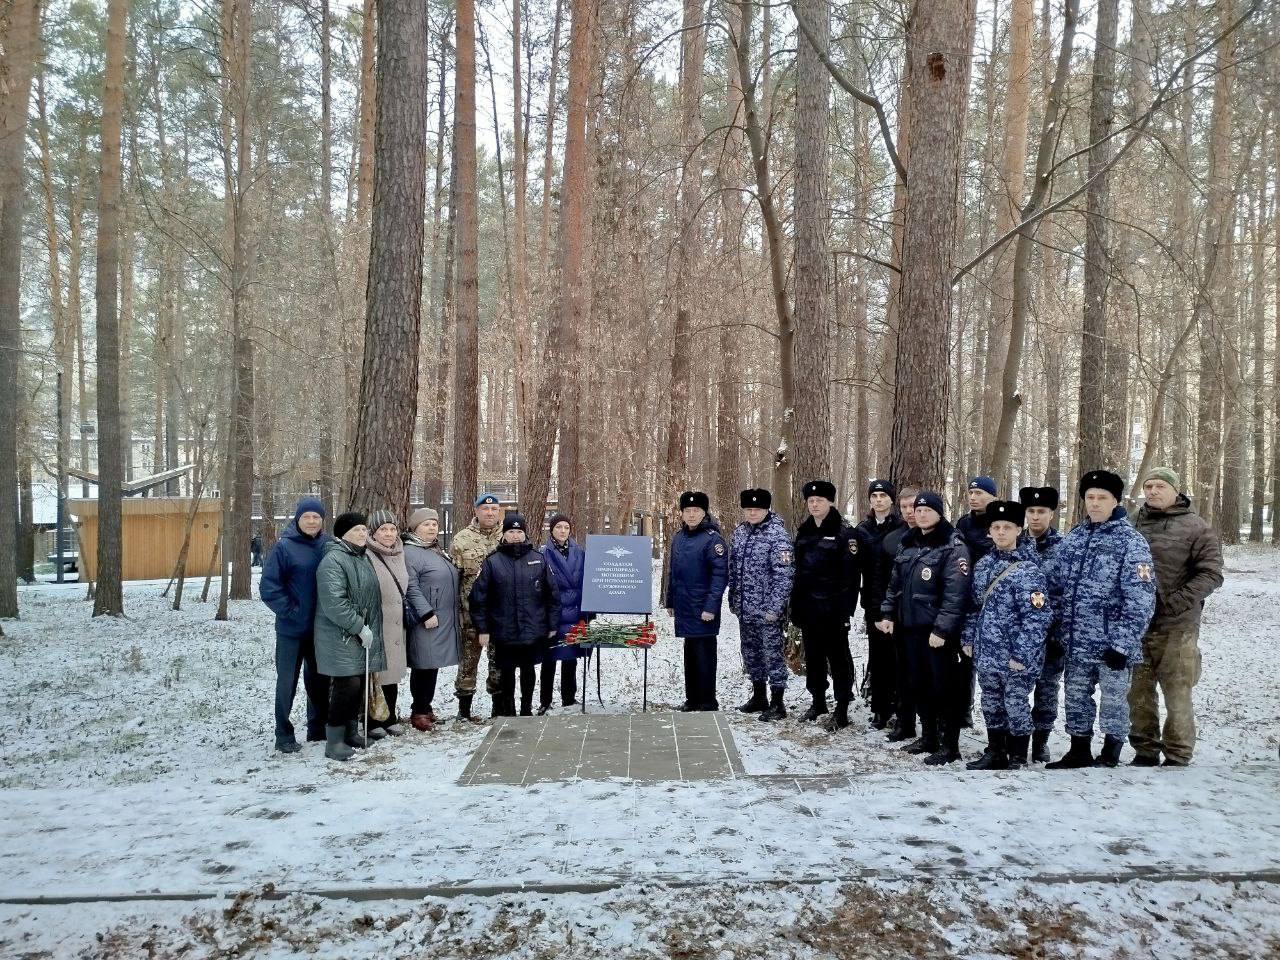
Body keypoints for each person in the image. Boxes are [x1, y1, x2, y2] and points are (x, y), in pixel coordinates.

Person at [1044, 471, 1156, 769]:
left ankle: (1110, 752)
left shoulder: (1131, 542)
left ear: (1115, 500)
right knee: (1076, 697)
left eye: (1102, 498)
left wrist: (1122, 644)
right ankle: (1078, 749)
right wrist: (1055, 634)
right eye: (1090, 497)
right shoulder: (1074, 539)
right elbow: (1055, 589)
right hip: (1076, 641)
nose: (1094, 504)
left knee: (1114, 702)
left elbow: (1141, 599)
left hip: (1111, 645)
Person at [1129, 467, 1224, 767]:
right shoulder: (1132, 524)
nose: (1153, 491)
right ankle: (1144, 749)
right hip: (1137, 625)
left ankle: (1178, 752)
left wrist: (1176, 602)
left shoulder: (1197, 528)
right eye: (1149, 486)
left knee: (1177, 692)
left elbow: (1211, 573)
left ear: (1175, 490)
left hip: (1177, 625)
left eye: (1160, 486)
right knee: (1138, 693)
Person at [879, 491, 970, 765]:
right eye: (917, 511)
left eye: (927, 510)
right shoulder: (908, 543)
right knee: (917, 684)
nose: (920, 514)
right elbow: (894, 584)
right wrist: (887, 613)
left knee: (943, 688)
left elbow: (956, 594)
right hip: (910, 627)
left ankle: (949, 744)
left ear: (939, 513)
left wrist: (942, 630)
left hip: (937, 633)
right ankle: (928, 735)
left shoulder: (953, 545)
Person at [962, 501, 1053, 770]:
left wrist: (1022, 655)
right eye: (996, 527)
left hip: (1016, 655)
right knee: (990, 702)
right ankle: (995, 752)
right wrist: (968, 638)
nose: (1001, 532)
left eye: (1007, 527)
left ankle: (1016, 755)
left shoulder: (1028, 569)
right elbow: (973, 607)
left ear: (1018, 529)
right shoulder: (984, 565)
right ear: (989, 531)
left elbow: (1038, 617)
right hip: (987, 651)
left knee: (1015, 703)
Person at [469, 514, 561, 717]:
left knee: (528, 671)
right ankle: (509, 712)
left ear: (525, 533)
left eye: (519, 531)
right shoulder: (492, 562)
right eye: (511, 531)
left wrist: (552, 625)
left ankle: (526, 709)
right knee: (507, 673)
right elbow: (478, 599)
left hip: (532, 629)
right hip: (504, 631)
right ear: (504, 535)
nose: (516, 535)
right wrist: (482, 629)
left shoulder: (538, 559)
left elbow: (552, 596)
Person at [259, 497, 331, 753]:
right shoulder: (284, 548)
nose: (311, 521)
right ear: (297, 519)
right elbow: (269, 587)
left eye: (316, 517)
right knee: (286, 682)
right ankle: (284, 733)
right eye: (306, 517)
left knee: (319, 681)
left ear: (322, 520)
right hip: (291, 631)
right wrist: (291, 610)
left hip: (320, 630)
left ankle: (317, 726)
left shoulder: (328, 545)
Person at [313, 512, 387, 762]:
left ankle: (351, 732)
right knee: (347, 685)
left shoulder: (361, 556)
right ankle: (334, 741)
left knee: (358, 683)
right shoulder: (333, 560)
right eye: (357, 530)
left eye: (365, 530)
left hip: (356, 635)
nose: (363, 534)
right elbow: (334, 602)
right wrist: (359, 626)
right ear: (342, 534)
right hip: (340, 635)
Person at [791, 480, 861, 731]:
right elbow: (798, 572)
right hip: (809, 608)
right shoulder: (804, 531)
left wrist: (845, 612)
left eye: (819, 500)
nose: (814, 504)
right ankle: (818, 701)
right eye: (810, 501)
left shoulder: (844, 533)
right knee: (814, 657)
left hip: (833, 610)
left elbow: (851, 578)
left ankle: (842, 708)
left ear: (830, 502)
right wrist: (796, 606)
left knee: (839, 659)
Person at [727, 488, 794, 722]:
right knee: (751, 654)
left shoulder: (778, 535)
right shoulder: (740, 534)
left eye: (757, 509)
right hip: (745, 610)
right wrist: (734, 600)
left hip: (768, 612)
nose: (753, 513)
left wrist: (774, 609)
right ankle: (759, 697)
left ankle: (778, 703)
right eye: (748, 509)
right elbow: (733, 569)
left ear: (766, 509)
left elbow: (784, 576)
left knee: (772, 655)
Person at [664, 491, 730, 712]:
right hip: (685, 606)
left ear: (704, 513)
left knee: (704, 655)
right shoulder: (678, 538)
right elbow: (673, 572)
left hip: (703, 609)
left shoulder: (713, 540)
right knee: (690, 654)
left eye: (696, 511)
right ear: (682, 513)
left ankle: (707, 701)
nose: (691, 515)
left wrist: (711, 607)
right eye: (687, 511)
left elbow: (720, 576)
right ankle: (692, 699)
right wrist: (670, 601)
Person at [402, 507, 461, 731]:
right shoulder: (410, 552)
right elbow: (411, 586)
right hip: (426, 618)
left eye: (434, 524)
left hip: (442, 618)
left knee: (432, 665)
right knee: (423, 664)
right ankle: (418, 710)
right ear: (415, 528)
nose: (432, 528)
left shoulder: (434, 549)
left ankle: (426, 707)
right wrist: (425, 612)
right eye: (426, 524)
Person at [855, 479, 906, 730]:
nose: (878, 500)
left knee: (897, 658)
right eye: (874, 496)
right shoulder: (862, 529)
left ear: (891, 500)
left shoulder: (902, 528)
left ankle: (900, 709)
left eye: (883, 496)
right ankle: (879, 710)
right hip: (873, 603)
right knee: (878, 657)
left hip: (897, 603)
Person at [1019, 485, 1065, 762]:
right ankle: (1018, 739)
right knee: (1017, 689)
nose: (1035, 517)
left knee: (1047, 690)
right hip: (1020, 636)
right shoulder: (1014, 543)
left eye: (1042, 512)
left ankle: (1041, 741)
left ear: (1051, 514)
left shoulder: (1065, 548)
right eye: (1031, 511)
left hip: (1052, 635)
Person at [451, 493, 504, 720]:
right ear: (476, 511)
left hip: (501, 618)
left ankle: (498, 709)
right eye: (485, 509)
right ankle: (464, 711)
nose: (489, 513)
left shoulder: (508, 536)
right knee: (467, 667)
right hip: (471, 617)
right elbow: (454, 581)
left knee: (499, 667)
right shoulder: (461, 540)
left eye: (494, 510)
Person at [540, 513, 591, 713]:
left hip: (575, 613)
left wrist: (588, 614)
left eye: (566, 528)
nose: (563, 531)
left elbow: (588, 582)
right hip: (553, 613)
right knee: (549, 659)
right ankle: (545, 700)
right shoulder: (543, 553)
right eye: (558, 527)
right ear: (551, 530)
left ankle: (569, 698)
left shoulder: (579, 552)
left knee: (570, 658)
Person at [366, 508, 410, 738]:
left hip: (397, 622)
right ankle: (372, 719)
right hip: (376, 621)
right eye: (383, 529)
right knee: (376, 674)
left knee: (392, 672)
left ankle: (390, 716)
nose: (389, 534)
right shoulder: (366, 554)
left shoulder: (401, 553)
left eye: (393, 529)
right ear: (373, 532)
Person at [882, 485, 919, 744]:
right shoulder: (894, 539)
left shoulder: (945, 538)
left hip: (928, 619)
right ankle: (905, 722)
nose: (909, 512)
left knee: (928, 675)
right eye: (904, 507)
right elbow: (888, 581)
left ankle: (933, 726)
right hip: (900, 616)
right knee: (902, 672)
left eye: (913, 507)